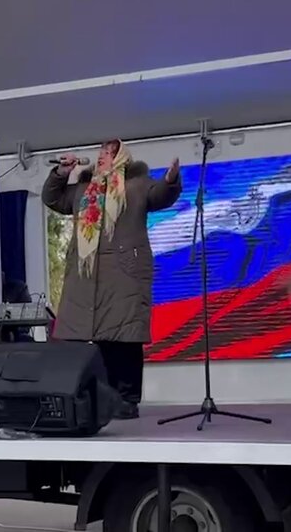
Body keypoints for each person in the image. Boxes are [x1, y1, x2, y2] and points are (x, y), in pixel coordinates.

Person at [42, 139, 182, 419]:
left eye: (109, 153)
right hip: (86, 275)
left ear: (122, 159)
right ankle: (90, 399)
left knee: (123, 339)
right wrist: (61, 172)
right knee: (85, 341)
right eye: (101, 153)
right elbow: (53, 199)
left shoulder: (137, 185)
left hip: (123, 274)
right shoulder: (83, 189)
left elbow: (161, 195)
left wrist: (170, 180)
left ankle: (126, 400)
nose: (102, 157)